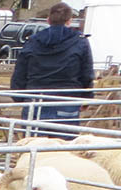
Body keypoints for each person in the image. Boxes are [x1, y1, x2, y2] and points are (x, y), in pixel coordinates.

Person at [10, 2, 93, 138]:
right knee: (62, 151)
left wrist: (20, 98)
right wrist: (86, 98)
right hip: (66, 100)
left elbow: (20, 73)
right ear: (69, 21)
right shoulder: (80, 42)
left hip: (36, 100)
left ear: (48, 20)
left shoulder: (33, 41)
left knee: (33, 149)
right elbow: (87, 74)